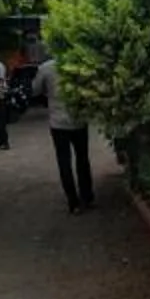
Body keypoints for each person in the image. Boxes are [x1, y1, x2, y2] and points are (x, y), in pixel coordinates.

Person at [36, 57, 92, 212]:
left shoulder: (45, 68)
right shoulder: (78, 63)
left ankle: (73, 201)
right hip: (79, 120)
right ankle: (86, 197)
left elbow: (35, 89)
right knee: (82, 159)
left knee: (64, 161)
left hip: (58, 123)